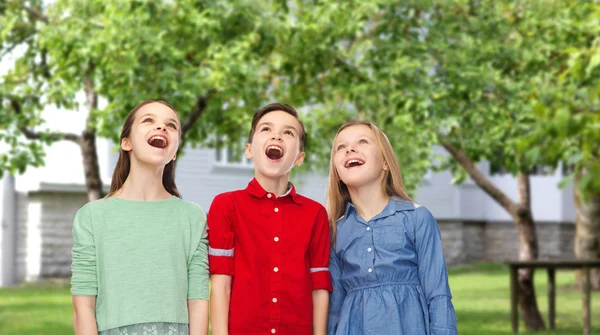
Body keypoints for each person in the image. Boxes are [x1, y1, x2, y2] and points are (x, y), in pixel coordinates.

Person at [71, 99, 209, 335]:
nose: (161, 128)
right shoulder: (92, 217)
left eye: (171, 125)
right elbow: (83, 306)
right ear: (126, 142)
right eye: (148, 121)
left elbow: (197, 302)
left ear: (175, 151)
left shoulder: (192, 217)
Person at [208, 103, 332, 335]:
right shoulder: (226, 206)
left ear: (299, 157)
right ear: (249, 150)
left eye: (288, 132)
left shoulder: (315, 214)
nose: (277, 135)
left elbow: (319, 285)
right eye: (266, 129)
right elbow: (221, 282)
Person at [326, 121, 457, 335]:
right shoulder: (334, 232)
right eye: (341, 147)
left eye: (363, 141)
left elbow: (438, 294)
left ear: (385, 163)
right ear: (338, 173)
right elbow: (334, 308)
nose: (349, 149)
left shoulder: (417, 218)